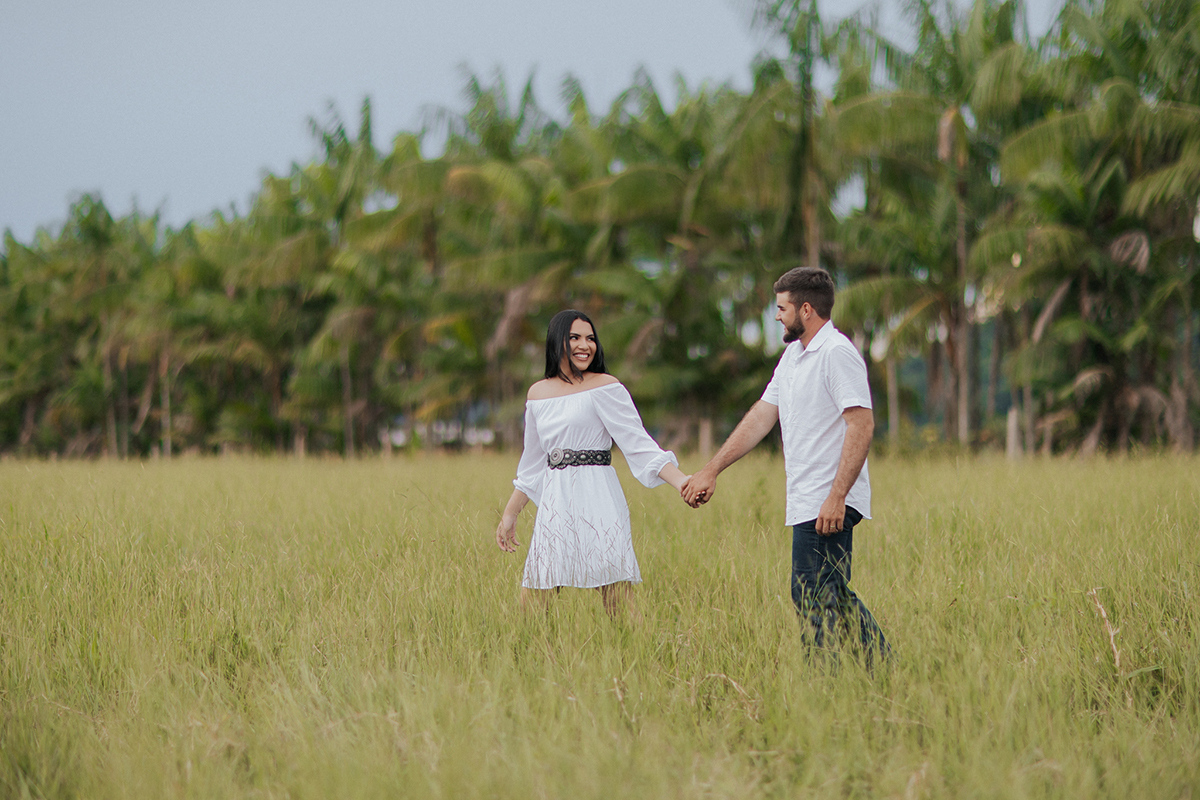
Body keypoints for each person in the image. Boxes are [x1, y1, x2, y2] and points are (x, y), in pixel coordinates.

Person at [682, 267, 890, 661]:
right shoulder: (793, 358)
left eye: (782, 308)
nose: (777, 315)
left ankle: (831, 681)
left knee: (816, 593)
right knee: (823, 591)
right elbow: (762, 416)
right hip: (806, 497)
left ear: (806, 309)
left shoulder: (836, 353)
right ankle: (878, 667)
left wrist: (836, 497)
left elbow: (861, 425)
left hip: (829, 500)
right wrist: (711, 469)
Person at [495, 309, 690, 616]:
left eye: (590, 338)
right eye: (574, 337)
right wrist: (510, 514)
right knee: (535, 594)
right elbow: (533, 466)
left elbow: (639, 444)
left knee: (616, 596)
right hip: (555, 502)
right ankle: (535, 659)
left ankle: (639, 656)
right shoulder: (537, 394)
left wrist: (682, 482)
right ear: (557, 341)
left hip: (598, 497)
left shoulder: (605, 386)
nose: (585, 345)